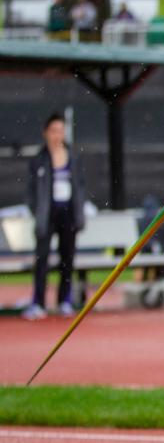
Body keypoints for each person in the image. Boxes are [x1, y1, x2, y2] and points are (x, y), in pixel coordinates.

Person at [23, 112, 87, 320]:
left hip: (68, 213)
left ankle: (64, 301)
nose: (57, 135)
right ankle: (38, 303)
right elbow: (31, 190)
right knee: (42, 260)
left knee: (67, 259)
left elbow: (80, 186)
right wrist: (37, 211)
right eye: (54, 131)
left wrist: (79, 212)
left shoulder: (73, 157)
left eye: (61, 131)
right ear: (46, 133)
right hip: (47, 214)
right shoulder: (39, 159)